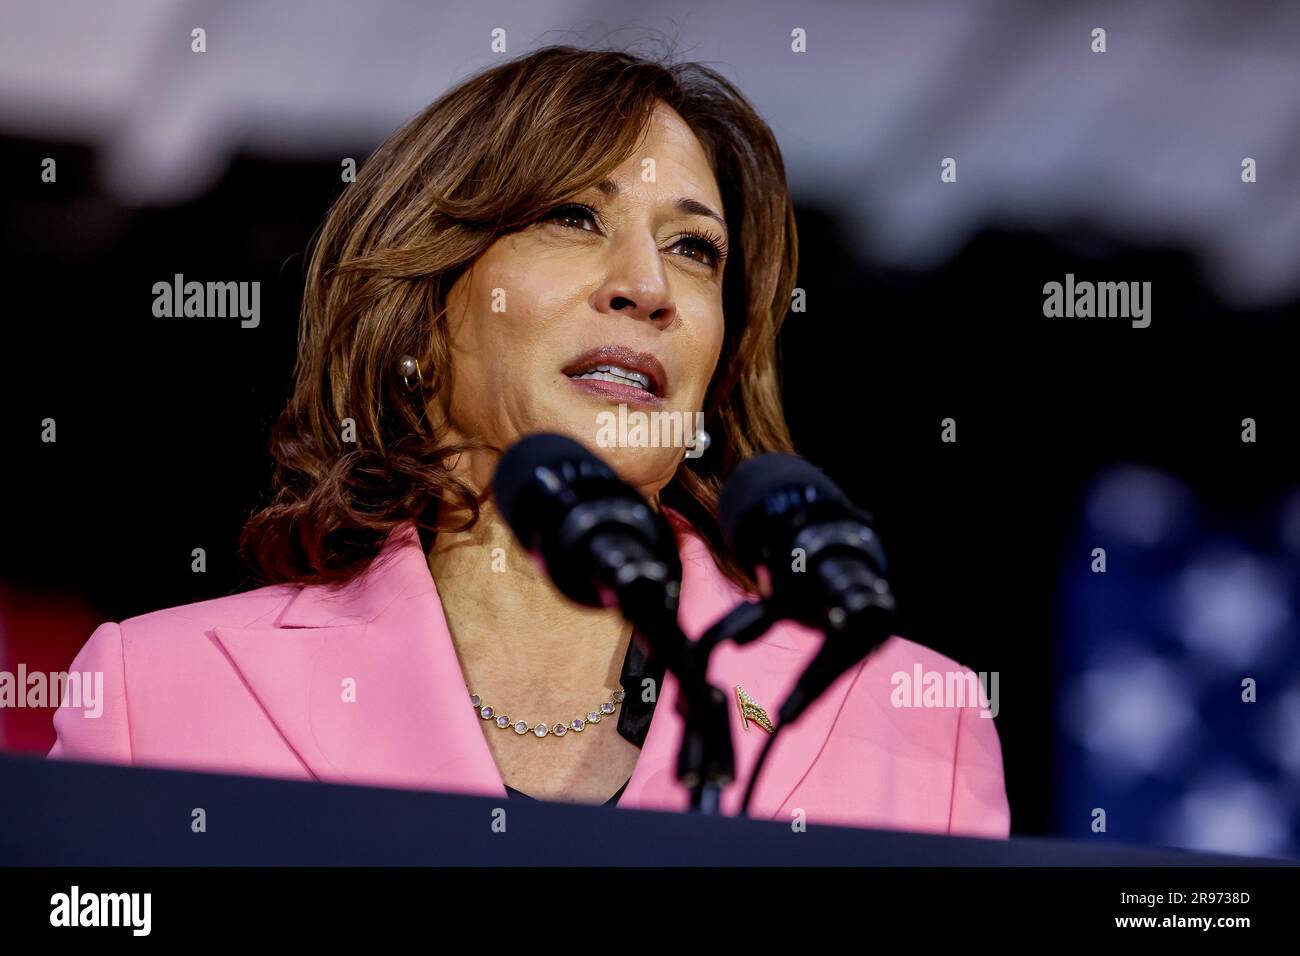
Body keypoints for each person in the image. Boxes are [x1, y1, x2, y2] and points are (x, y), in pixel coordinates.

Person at [49, 46, 1010, 836]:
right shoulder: (160, 695)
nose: (647, 286)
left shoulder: (915, 718)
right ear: (423, 311)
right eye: (573, 217)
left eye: (694, 248)